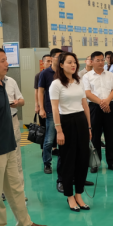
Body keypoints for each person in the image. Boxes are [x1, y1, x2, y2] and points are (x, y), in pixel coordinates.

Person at [0, 48, 48, 226]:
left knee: (15, 187)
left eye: (6, 59)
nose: (7, 64)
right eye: (2, 60)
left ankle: (24, 222)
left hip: (8, 145)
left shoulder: (2, 84)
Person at [50, 52, 92, 211]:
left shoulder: (79, 81)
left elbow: (85, 105)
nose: (73, 65)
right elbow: (55, 108)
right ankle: (69, 196)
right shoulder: (56, 84)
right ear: (61, 65)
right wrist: (59, 130)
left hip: (81, 121)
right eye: (69, 62)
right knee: (68, 161)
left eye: (74, 62)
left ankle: (79, 194)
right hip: (66, 122)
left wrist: (89, 127)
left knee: (83, 160)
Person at [83, 51, 113, 173]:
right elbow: (87, 93)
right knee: (95, 137)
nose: (100, 62)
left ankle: (112, 162)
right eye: (97, 60)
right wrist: (101, 103)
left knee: (110, 136)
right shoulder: (87, 76)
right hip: (94, 108)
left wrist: (107, 101)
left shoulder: (110, 75)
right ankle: (95, 163)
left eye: (102, 60)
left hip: (110, 106)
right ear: (92, 62)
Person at [38, 48, 63, 177]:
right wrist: (41, 108)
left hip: (64, 110)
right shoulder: (45, 73)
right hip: (51, 110)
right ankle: (47, 163)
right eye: (59, 57)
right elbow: (40, 91)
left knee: (64, 138)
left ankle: (63, 163)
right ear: (52, 58)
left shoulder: (63, 72)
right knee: (49, 139)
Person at [3, 69, 27, 201]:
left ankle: (19, 191)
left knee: (16, 157)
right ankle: (2, 191)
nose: (6, 64)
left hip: (12, 120)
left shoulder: (11, 81)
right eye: (2, 61)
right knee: (1, 159)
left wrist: (17, 103)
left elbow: (22, 100)